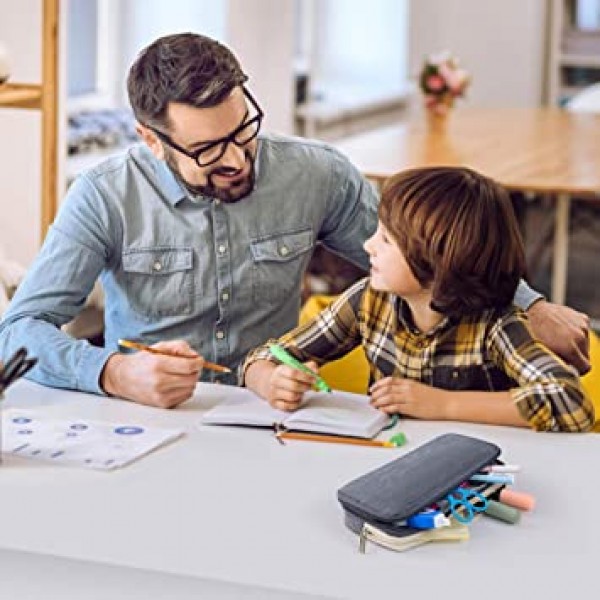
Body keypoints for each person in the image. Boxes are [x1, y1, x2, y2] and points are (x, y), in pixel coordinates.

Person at [0, 34, 589, 409]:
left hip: (275, 416)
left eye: (243, 131)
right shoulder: (103, 197)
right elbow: (18, 330)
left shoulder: (316, 174)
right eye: (207, 150)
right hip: (152, 419)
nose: (235, 159)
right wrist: (115, 373)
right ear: (151, 140)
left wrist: (531, 305)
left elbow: (428, 258)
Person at [243, 167, 594, 432]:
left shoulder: (496, 324)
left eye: (386, 240)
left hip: (471, 477)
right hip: (389, 459)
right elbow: (264, 356)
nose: (367, 246)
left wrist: (442, 404)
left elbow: (572, 403)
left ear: (436, 261)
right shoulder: (368, 300)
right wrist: (270, 381)